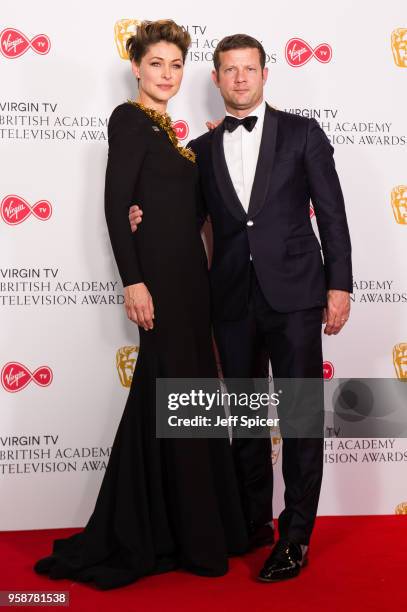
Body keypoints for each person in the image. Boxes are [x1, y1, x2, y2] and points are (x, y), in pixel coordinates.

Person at [32, 20, 249, 591]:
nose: (167, 74)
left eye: (176, 65)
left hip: (191, 283)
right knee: (173, 393)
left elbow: (189, 210)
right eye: (156, 63)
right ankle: (171, 532)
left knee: (180, 397)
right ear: (135, 67)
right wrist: (134, 282)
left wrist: (210, 151)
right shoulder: (129, 121)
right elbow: (114, 206)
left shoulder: (171, 133)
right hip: (160, 283)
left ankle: (182, 527)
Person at [129, 33, 352, 582]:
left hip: (297, 297)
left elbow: (333, 212)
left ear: (264, 73)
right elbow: (183, 217)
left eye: (249, 69)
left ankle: (295, 537)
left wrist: (339, 285)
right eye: (229, 70)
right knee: (247, 419)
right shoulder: (201, 152)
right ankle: (253, 522)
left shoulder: (302, 132)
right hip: (230, 299)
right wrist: (140, 217)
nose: (240, 79)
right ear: (216, 78)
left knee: (299, 421)